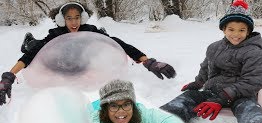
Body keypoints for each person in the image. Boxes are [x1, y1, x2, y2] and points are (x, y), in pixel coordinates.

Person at [0, 1, 176, 106]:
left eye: (77, 17)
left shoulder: (90, 31)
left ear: (82, 18)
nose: (74, 22)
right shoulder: (55, 35)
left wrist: (148, 61)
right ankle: (28, 40)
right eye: (69, 18)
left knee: (104, 35)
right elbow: (29, 57)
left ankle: (102, 32)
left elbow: (120, 44)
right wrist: (8, 77)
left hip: (81, 61)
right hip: (60, 61)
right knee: (33, 47)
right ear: (62, 20)